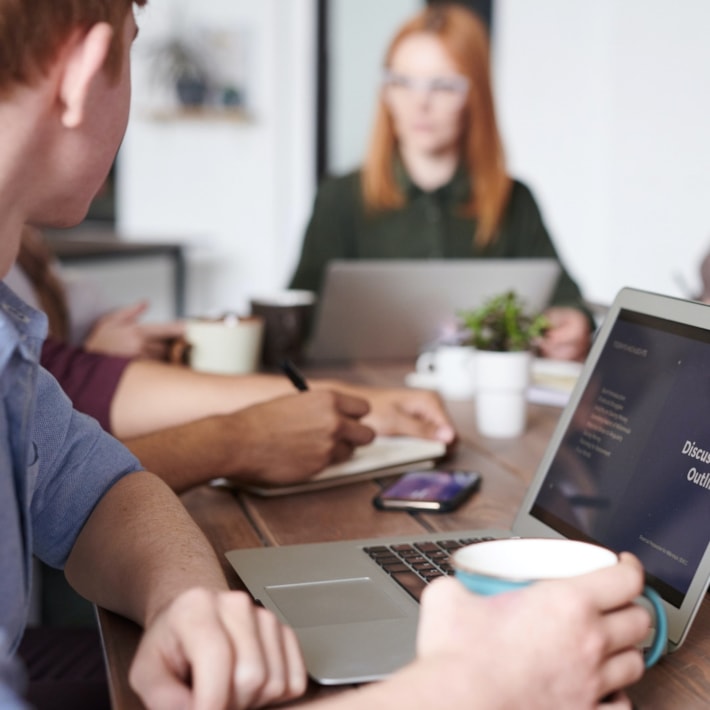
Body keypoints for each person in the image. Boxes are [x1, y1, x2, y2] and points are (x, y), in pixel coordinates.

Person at [0, 1, 652, 708]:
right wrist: (475, 690)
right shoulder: (346, 196)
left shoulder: (12, 350)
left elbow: (95, 487)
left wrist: (185, 599)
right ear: (88, 71)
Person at [290, 3, 592, 362]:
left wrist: (571, 322)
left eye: (444, 85)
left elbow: (565, 299)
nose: (421, 103)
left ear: (474, 96)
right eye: (402, 83)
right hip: (371, 398)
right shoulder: (339, 198)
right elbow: (298, 313)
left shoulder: (514, 200)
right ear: (386, 93)